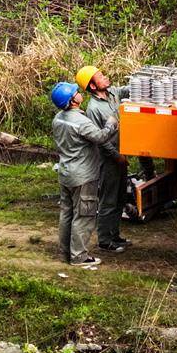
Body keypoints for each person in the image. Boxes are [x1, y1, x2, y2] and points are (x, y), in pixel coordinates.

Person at [51, 80, 118, 270]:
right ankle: (79, 256)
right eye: (76, 92)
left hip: (66, 173)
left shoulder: (59, 118)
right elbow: (100, 137)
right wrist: (111, 124)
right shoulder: (80, 121)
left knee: (67, 213)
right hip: (83, 176)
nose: (80, 93)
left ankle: (66, 251)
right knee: (84, 215)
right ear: (73, 101)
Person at [75, 64, 129, 254]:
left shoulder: (113, 93)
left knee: (120, 197)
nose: (105, 77)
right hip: (109, 159)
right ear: (92, 86)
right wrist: (117, 157)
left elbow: (127, 90)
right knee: (109, 199)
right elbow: (99, 140)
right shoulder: (93, 109)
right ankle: (105, 240)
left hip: (122, 154)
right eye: (100, 76)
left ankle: (115, 235)